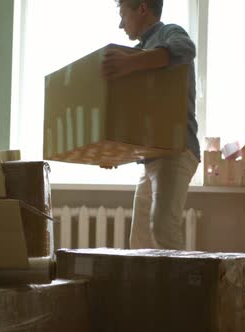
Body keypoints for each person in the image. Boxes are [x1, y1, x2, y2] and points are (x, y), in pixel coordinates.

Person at [101, 0, 200, 250]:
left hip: (177, 151)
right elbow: (136, 115)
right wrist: (113, 151)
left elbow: (185, 49)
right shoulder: (137, 53)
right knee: (140, 239)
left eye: (123, 14)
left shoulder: (169, 33)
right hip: (151, 156)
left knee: (163, 229)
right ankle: (148, 290)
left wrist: (129, 63)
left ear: (142, 9)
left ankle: (181, 289)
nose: (121, 23)